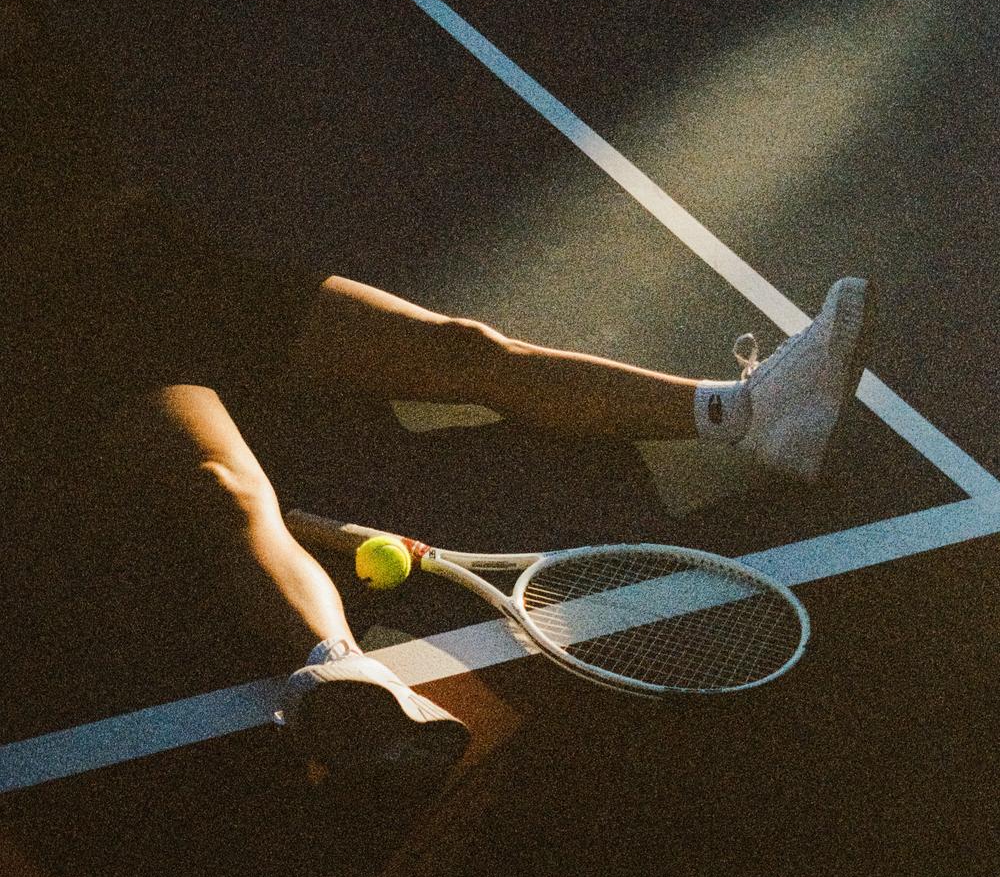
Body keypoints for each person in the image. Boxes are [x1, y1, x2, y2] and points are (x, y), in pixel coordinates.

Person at [106, 252, 869, 785]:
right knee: (225, 490)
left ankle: (753, 414)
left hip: (165, 272)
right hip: (92, 340)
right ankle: (341, 673)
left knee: (463, 347)